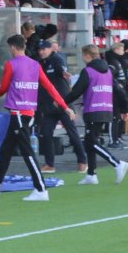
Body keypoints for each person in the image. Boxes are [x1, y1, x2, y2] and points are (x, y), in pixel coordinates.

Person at [0, 34, 74, 202]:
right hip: (27, 113)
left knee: (27, 151)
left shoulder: (11, 64)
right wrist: (65, 107)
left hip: (18, 113)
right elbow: (50, 87)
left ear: (12, 47)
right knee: (6, 151)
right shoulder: (35, 64)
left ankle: (41, 189)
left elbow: (4, 87)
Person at [63, 45, 128, 186]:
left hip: (93, 110)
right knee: (90, 141)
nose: (82, 58)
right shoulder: (108, 72)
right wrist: (124, 109)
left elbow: (76, 92)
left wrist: (61, 102)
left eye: (83, 55)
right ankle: (91, 174)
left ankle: (117, 163)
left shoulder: (88, 71)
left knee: (91, 142)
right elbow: (120, 91)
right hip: (106, 109)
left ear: (87, 55)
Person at [36, 40, 87, 174]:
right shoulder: (40, 63)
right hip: (48, 105)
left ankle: (82, 161)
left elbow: (62, 70)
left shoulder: (57, 59)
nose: (41, 52)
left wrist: (64, 73)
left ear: (50, 49)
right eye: (40, 50)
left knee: (72, 132)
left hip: (63, 103)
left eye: (44, 49)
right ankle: (49, 164)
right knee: (46, 132)